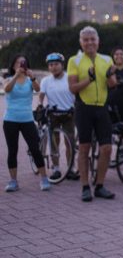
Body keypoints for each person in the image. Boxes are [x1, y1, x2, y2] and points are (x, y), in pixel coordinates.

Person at [67, 26, 116, 201]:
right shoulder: (75, 60)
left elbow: (112, 84)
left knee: (107, 148)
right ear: (81, 42)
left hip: (101, 107)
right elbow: (72, 88)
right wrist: (89, 79)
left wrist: (110, 75)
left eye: (92, 39)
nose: (89, 42)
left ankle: (100, 185)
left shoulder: (106, 59)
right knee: (84, 148)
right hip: (83, 107)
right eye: (85, 40)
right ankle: (85, 186)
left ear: (98, 41)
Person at [3, 54, 50, 192]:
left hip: (27, 119)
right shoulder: (7, 79)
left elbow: (37, 89)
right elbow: (7, 89)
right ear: (13, 65)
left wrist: (33, 77)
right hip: (10, 119)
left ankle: (44, 179)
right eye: (17, 63)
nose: (20, 65)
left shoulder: (30, 80)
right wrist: (16, 76)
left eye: (22, 63)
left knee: (35, 148)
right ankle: (13, 181)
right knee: (12, 150)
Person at [39, 52, 77, 181]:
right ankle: (56, 169)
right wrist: (40, 105)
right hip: (53, 114)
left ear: (62, 65)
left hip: (68, 114)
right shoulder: (45, 81)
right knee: (54, 143)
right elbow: (41, 96)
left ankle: (70, 168)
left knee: (70, 143)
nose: (53, 67)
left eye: (56, 64)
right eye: (50, 65)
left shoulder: (69, 78)